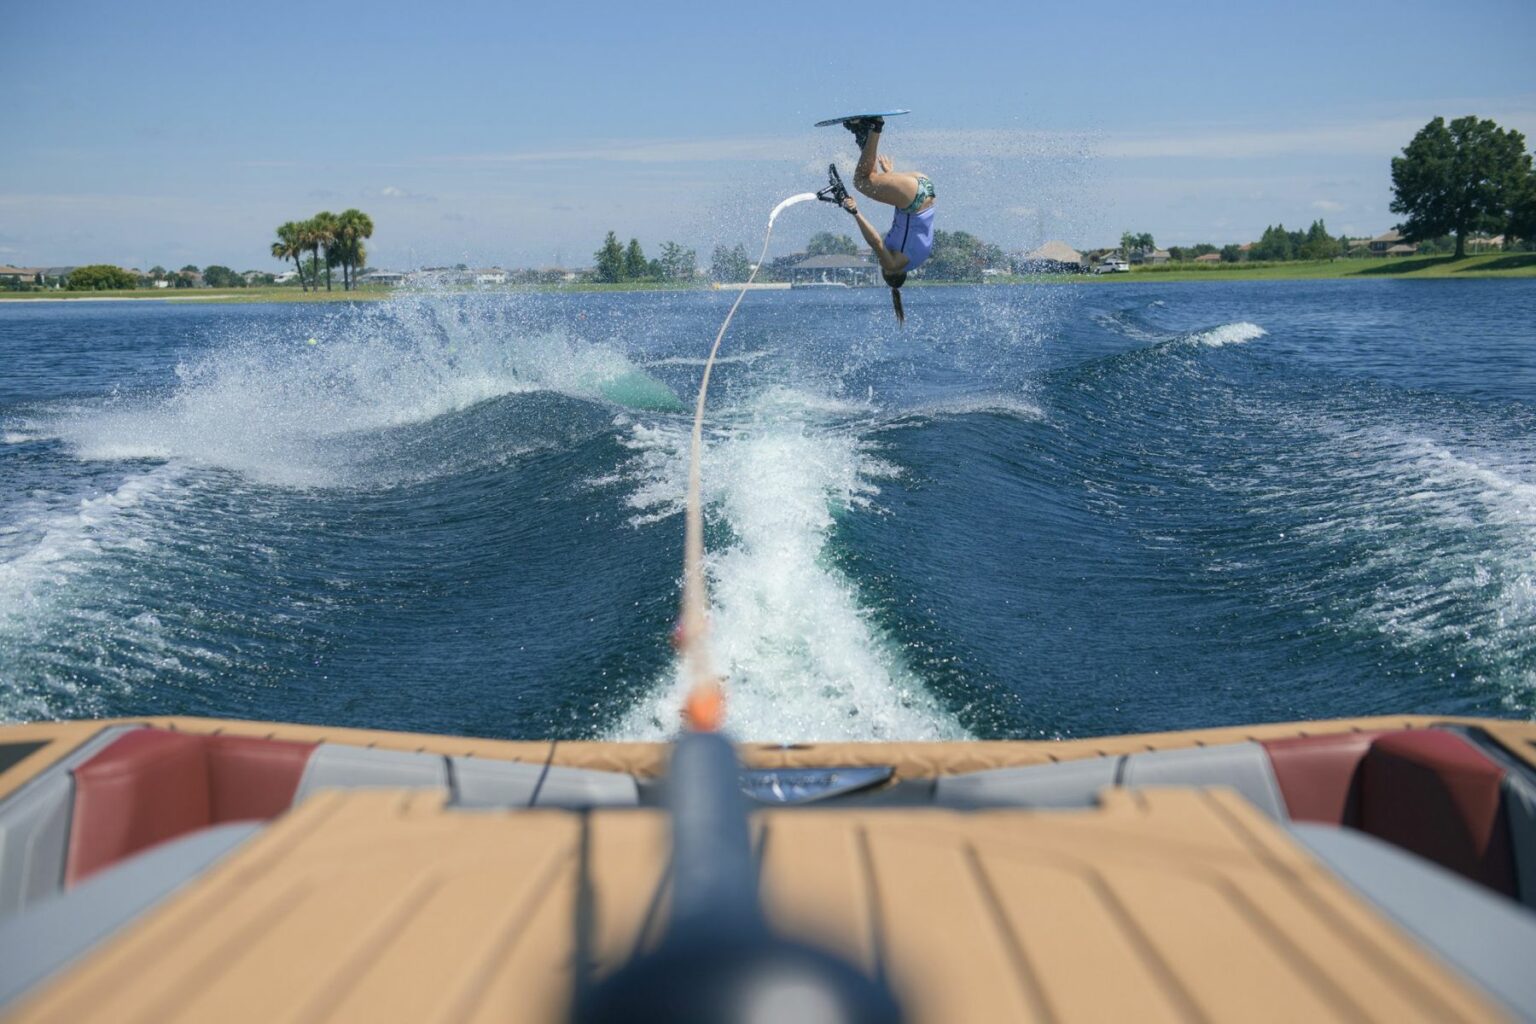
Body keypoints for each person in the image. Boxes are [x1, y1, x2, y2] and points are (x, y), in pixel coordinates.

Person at [834, 116, 936, 323]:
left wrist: (890, 175)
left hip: (924, 187)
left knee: (869, 177)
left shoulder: (915, 260)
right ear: (890, 273)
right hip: (914, 199)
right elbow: (875, 242)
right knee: (861, 182)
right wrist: (855, 212)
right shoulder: (893, 264)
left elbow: (909, 227)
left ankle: (861, 132)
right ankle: (874, 127)